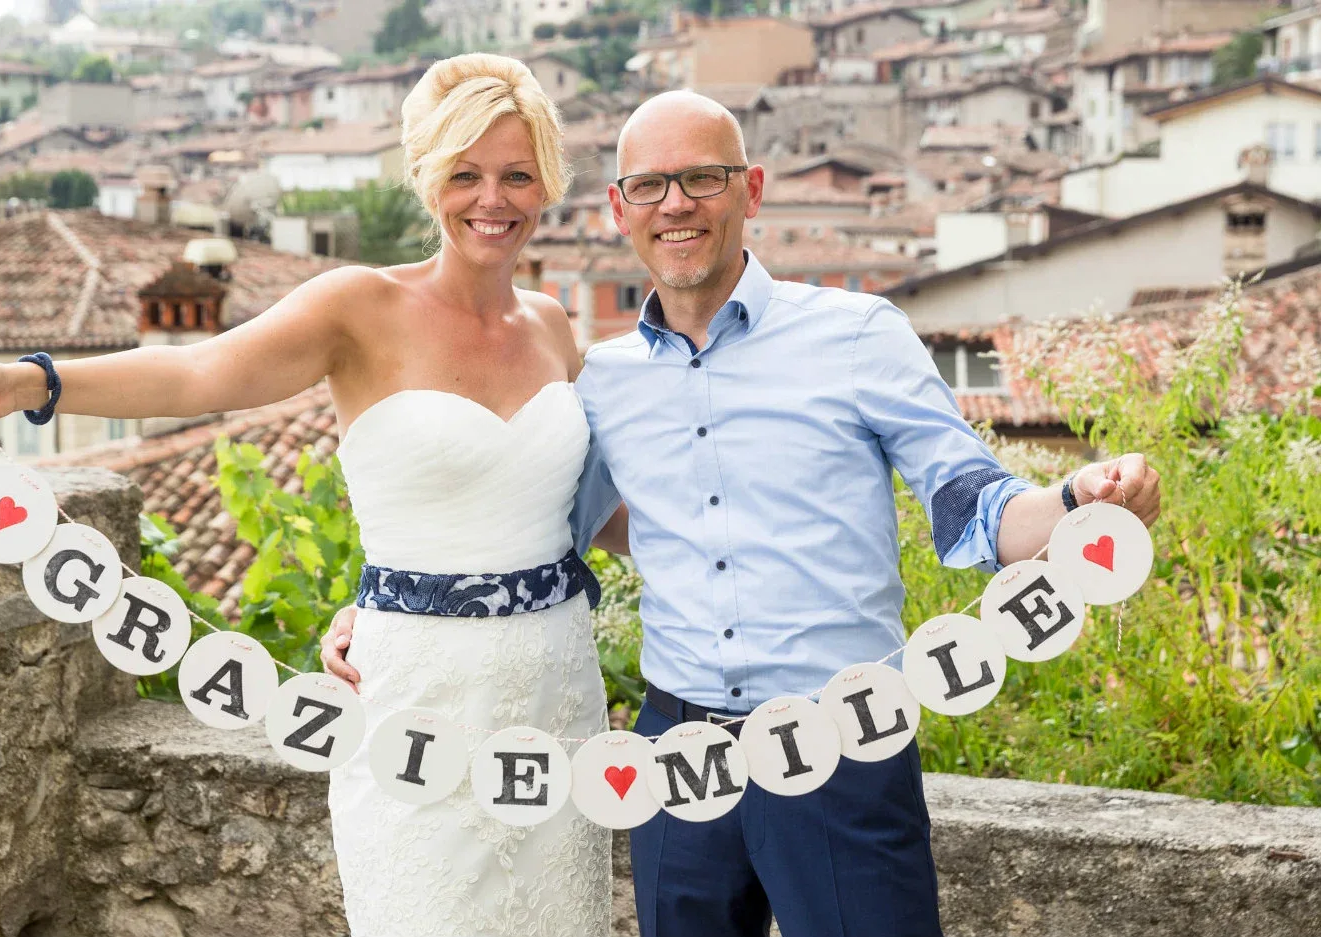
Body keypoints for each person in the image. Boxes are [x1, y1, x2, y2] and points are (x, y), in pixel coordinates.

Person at [325, 90, 1163, 937]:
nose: (677, 204)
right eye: (650, 185)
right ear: (620, 209)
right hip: (676, 762)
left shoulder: (858, 335)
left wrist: (1074, 504)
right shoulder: (604, 380)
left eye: (703, 178)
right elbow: (528, 523)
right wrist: (390, 604)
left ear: (751, 189)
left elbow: (973, 504)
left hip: (843, 747)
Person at [0, 54, 613, 937]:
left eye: (517, 175)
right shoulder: (358, 306)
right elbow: (198, 370)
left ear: (547, 182)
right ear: (425, 180)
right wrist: (24, 381)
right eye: (465, 174)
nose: (493, 199)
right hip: (416, 705)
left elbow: (598, 512)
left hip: (557, 705)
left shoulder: (553, 324)